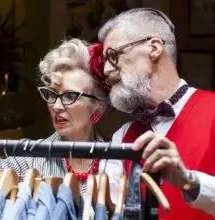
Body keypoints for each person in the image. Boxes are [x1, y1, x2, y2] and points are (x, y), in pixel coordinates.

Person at [92, 7, 215, 219]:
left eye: (113, 56)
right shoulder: (122, 137)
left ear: (154, 48)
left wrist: (189, 181)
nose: (106, 71)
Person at [0, 38, 122, 200]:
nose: (56, 106)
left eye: (70, 96)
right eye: (52, 94)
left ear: (98, 108)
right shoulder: (32, 158)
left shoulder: (118, 163)